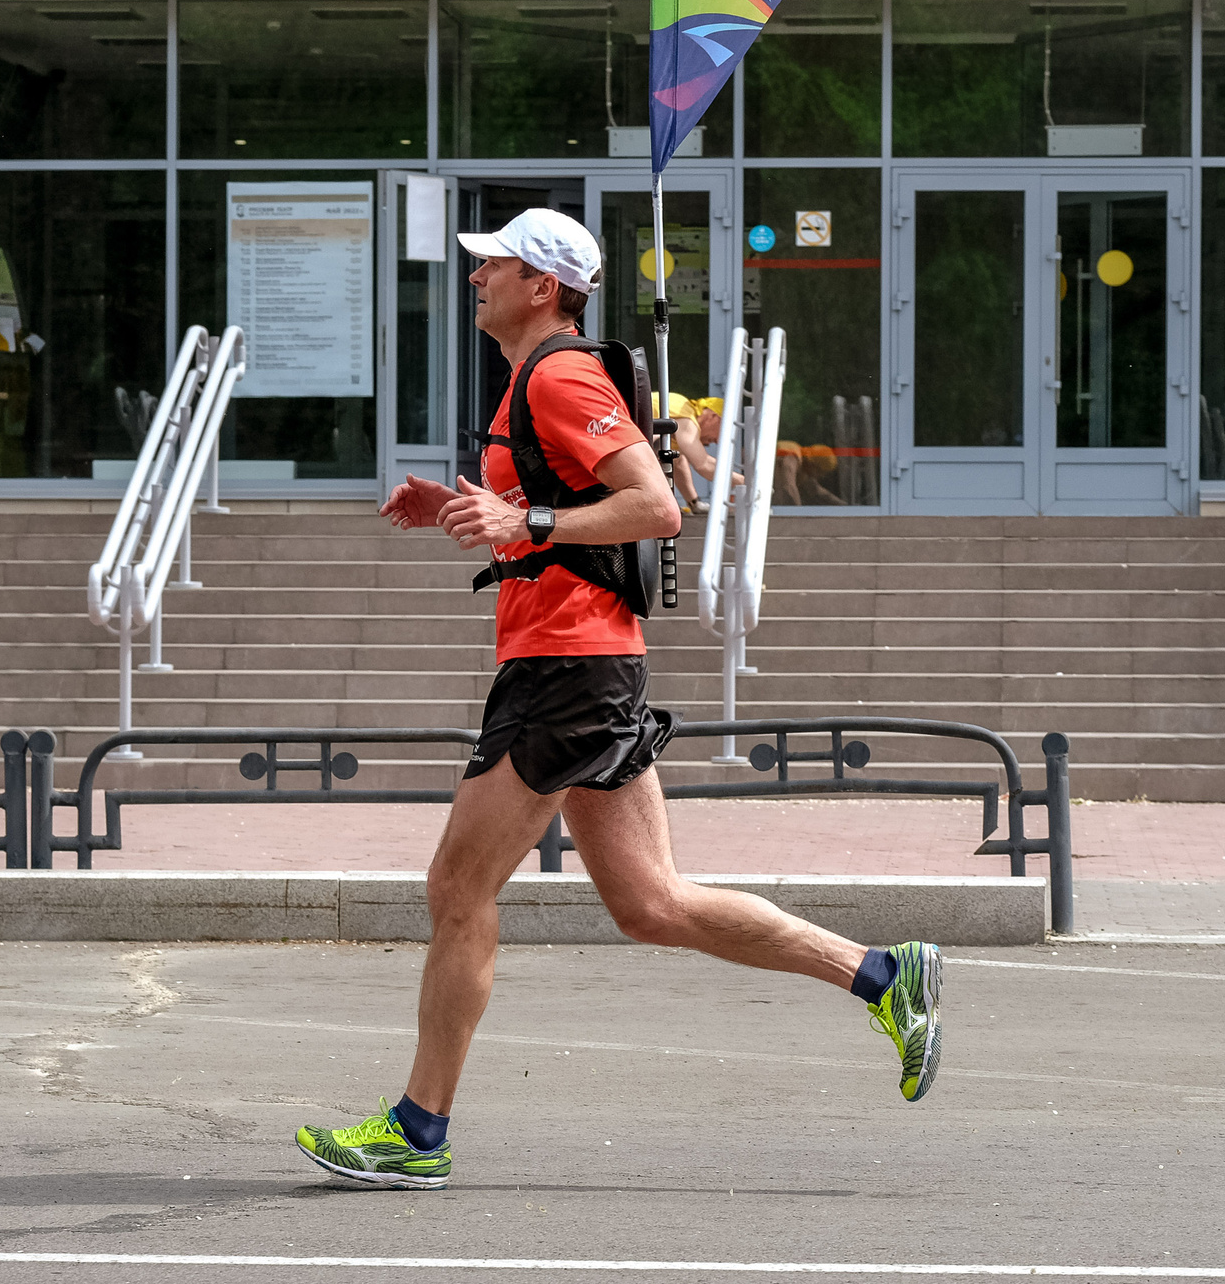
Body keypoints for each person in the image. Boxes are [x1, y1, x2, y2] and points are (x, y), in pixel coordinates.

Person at [295, 208, 943, 1189]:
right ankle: (882, 975)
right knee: (649, 903)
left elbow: (657, 505)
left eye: (495, 266)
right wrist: (466, 509)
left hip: (567, 670)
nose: (477, 278)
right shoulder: (530, 378)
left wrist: (529, 517)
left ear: (542, 285)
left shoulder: (558, 373)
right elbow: (545, 519)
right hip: (584, 663)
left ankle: (416, 1131)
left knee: (456, 891)